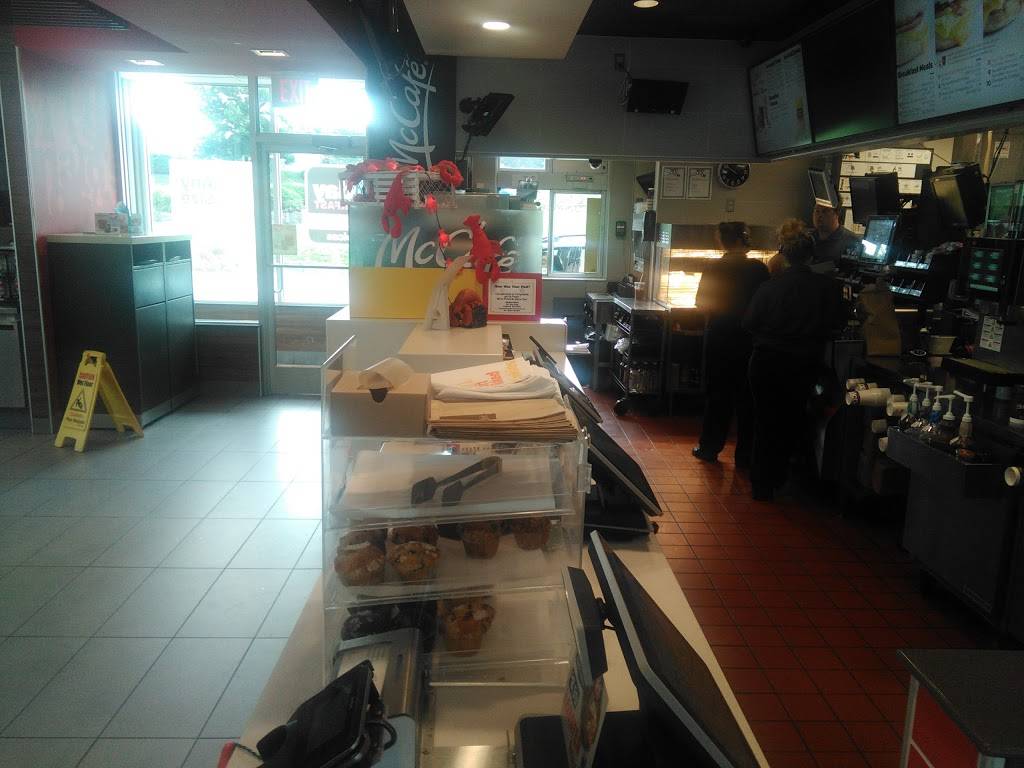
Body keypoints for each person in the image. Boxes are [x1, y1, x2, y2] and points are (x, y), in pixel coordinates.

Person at [744, 232, 849, 501]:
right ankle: (784, 477)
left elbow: (750, 323)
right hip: (803, 363)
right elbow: (838, 322)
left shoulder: (769, 287)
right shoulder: (827, 287)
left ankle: (762, 484)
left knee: (765, 420)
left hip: (765, 361)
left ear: (784, 256)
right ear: (811, 256)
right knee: (793, 418)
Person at [692, 222, 769, 467]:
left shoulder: (713, 268)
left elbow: (702, 304)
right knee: (748, 400)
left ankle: (709, 448)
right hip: (749, 341)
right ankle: (745, 456)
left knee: (718, 396)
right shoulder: (759, 269)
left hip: (720, 338)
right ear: (742, 240)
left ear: (722, 241)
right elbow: (766, 306)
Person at [810, 197, 860, 269]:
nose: (819, 215)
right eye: (817, 211)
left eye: (825, 211)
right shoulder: (807, 239)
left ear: (837, 213)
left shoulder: (852, 241)